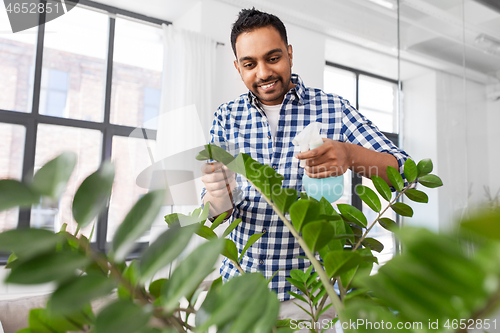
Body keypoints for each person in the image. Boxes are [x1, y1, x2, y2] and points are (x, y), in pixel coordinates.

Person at [200, 7, 410, 331]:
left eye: (273, 58)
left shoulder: (332, 109)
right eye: (250, 64)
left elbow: (405, 171)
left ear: (290, 54)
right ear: (237, 67)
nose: (263, 72)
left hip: (312, 297)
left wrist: (350, 154)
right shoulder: (225, 118)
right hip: (242, 294)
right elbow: (213, 211)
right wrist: (217, 199)